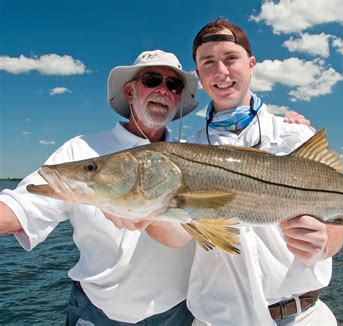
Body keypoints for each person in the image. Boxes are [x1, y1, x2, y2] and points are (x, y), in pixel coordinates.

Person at [0, 49, 200, 325]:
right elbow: (22, 207)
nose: (163, 90)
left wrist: (284, 131)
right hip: (98, 312)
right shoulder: (81, 151)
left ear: (178, 99)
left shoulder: (198, 156)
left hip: (176, 312)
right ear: (129, 93)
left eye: (173, 85)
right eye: (152, 80)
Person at [184, 19, 343, 325]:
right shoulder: (185, 150)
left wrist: (325, 242)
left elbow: (337, 222)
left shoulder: (295, 135)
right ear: (198, 74)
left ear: (251, 63)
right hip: (219, 319)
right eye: (208, 62)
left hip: (302, 315)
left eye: (231, 58)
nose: (221, 72)